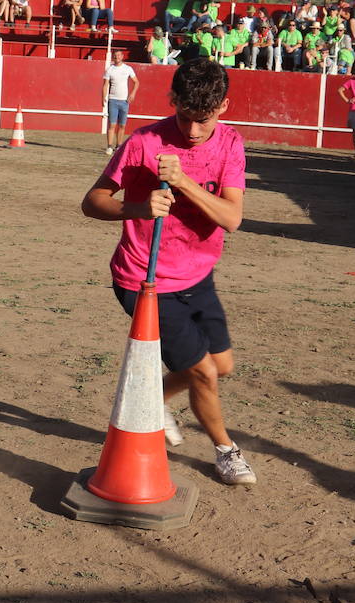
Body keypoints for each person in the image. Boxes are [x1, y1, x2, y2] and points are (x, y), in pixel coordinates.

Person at [80, 58, 256, 486]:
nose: (193, 131)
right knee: (203, 373)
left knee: (223, 365)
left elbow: (231, 219)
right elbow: (92, 201)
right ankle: (226, 451)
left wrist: (183, 183)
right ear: (172, 100)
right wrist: (138, 208)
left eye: (205, 119)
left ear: (224, 106)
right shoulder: (143, 142)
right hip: (144, 280)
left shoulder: (231, 144)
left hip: (198, 274)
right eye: (185, 117)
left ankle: (154, 401)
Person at [103, 48, 139, 154]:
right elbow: (105, 85)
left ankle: (118, 146)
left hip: (124, 101)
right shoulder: (110, 69)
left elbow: (136, 82)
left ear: (122, 56)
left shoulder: (128, 69)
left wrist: (132, 94)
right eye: (115, 55)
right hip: (113, 100)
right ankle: (109, 146)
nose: (117, 57)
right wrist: (103, 98)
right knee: (112, 124)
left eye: (119, 55)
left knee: (122, 125)